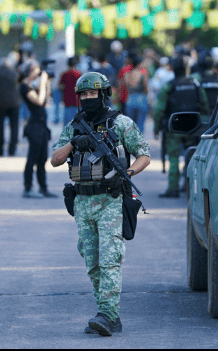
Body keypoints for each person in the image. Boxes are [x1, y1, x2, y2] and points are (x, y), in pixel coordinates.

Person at [50, 72, 151, 336]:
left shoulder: (121, 123)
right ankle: (106, 313)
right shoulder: (74, 125)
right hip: (83, 201)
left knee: (109, 259)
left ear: (103, 94)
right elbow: (55, 160)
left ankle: (107, 314)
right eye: (82, 94)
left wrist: (127, 173)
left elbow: (144, 155)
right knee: (92, 261)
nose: (87, 98)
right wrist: (74, 143)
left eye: (92, 94)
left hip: (111, 200)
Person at [153, 56, 209, 197]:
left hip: (174, 128)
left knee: (173, 158)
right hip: (192, 127)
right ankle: (189, 186)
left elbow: (159, 109)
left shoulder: (169, 86)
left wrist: (157, 128)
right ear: (186, 69)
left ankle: (173, 189)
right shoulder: (195, 84)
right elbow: (204, 105)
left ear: (173, 69)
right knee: (191, 156)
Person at [17, 60, 57, 198]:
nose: (39, 73)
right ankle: (27, 188)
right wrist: (42, 82)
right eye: (37, 70)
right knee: (32, 158)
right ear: (30, 70)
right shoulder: (24, 87)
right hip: (34, 126)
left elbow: (46, 98)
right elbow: (39, 101)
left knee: (43, 158)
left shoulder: (32, 86)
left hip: (42, 125)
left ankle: (43, 187)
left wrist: (46, 83)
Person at [0, 57, 20, 156]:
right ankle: (12, 150)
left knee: (0, 127)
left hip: (1, 104)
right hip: (14, 103)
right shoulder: (14, 74)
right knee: (14, 126)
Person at [123, 54, 149, 134]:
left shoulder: (127, 74)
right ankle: (139, 143)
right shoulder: (143, 73)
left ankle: (131, 143)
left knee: (131, 125)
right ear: (138, 64)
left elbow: (127, 87)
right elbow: (145, 87)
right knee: (140, 125)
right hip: (141, 99)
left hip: (130, 99)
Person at [59, 57, 82, 124]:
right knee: (79, 123)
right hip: (77, 101)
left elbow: (60, 86)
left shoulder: (64, 74)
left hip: (67, 100)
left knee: (67, 123)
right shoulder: (79, 74)